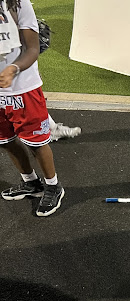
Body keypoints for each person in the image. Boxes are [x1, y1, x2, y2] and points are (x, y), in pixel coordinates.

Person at [0, 0, 64, 216]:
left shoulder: (17, 3)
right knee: (5, 141)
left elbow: (33, 48)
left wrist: (13, 69)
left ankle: (53, 186)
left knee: (36, 143)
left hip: (22, 88)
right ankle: (31, 182)